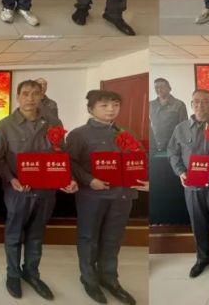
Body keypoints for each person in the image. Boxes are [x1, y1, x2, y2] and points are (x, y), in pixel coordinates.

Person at [0, 79, 78, 299]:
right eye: (25, 94)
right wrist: (11, 179)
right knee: (14, 234)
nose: (30, 98)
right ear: (17, 97)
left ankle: (31, 273)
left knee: (36, 235)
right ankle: (13, 274)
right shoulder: (5, 125)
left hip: (46, 191)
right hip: (18, 191)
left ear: (42, 96)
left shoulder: (53, 122)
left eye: (35, 94)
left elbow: (61, 155)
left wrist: (67, 179)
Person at [67, 89, 148, 304]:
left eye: (115, 105)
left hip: (122, 195)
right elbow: (70, 163)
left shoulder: (127, 133)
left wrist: (145, 178)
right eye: (104, 105)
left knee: (113, 239)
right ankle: (89, 279)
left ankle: (110, 278)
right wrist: (88, 179)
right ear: (91, 109)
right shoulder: (78, 134)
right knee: (89, 237)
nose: (111, 109)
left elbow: (141, 158)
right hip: (93, 195)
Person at [167, 89, 209, 277]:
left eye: (205, 102)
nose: (200, 105)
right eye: (196, 101)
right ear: (191, 104)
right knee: (197, 222)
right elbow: (172, 152)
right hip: (192, 185)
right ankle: (203, 258)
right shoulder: (180, 128)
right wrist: (180, 171)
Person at [149, 78, 188, 153]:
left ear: (169, 88)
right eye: (156, 87)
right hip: (154, 146)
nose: (159, 89)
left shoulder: (179, 104)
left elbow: (184, 127)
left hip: (173, 145)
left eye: (162, 87)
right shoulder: (150, 105)